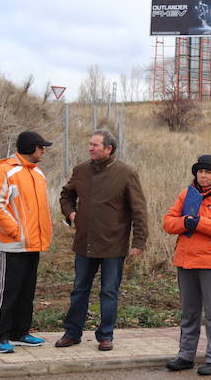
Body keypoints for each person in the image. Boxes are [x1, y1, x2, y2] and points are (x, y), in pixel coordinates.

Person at [56, 130, 148, 351]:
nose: (90, 148)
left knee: (109, 291)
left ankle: (105, 335)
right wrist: (71, 214)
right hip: (84, 242)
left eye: (95, 145)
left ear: (109, 149)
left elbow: (139, 210)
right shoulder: (80, 170)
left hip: (113, 244)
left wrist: (139, 242)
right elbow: (66, 195)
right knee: (79, 289)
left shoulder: (126, 173)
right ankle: (72, 332)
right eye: (90, 144)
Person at [163, 155, 211, 375]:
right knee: (189, 312)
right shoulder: (186, 195)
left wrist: (201, 223)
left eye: (207, 172)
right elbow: (168, 222)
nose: (203, 176)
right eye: (200, 172)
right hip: (186, 261)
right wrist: (185, 222)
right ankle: (186, 355)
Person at [0, 131, 54, 353]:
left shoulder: (38, 174)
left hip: (33, 244)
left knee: (27, 291)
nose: (43, 151)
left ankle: (20, 333)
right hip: (13, 245)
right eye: (41, 147)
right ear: (31, 148)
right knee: (8, 290)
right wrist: (17, 231)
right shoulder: (5, 171)